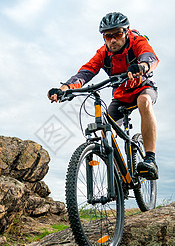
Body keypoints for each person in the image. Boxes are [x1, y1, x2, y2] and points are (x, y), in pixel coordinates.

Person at [47, 12, 159, 180]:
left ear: (126, 32)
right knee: (106, 131)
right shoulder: (103, 53)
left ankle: (150, 159)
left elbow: (150, 57)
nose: (113, 40)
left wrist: (142, 66)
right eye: (108, 36)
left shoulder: (137, 42)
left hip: (142, 88)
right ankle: (119, 174)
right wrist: (65, 88)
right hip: (121, 96)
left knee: (144, 102)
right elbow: (85, 73)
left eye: (117, 34)